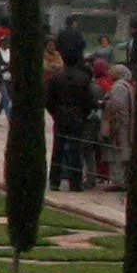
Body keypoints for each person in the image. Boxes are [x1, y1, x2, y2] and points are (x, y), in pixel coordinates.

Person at [45, 52, 96, 189]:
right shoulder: (84, 78)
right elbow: (89, 101)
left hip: (61, 113)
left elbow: (49, 100)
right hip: (77, 114)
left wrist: (55, 113)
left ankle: (54, 181)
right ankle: (75, 182)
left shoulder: (56, 77)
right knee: (75, 149)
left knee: (58, 148)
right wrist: (83, 115)